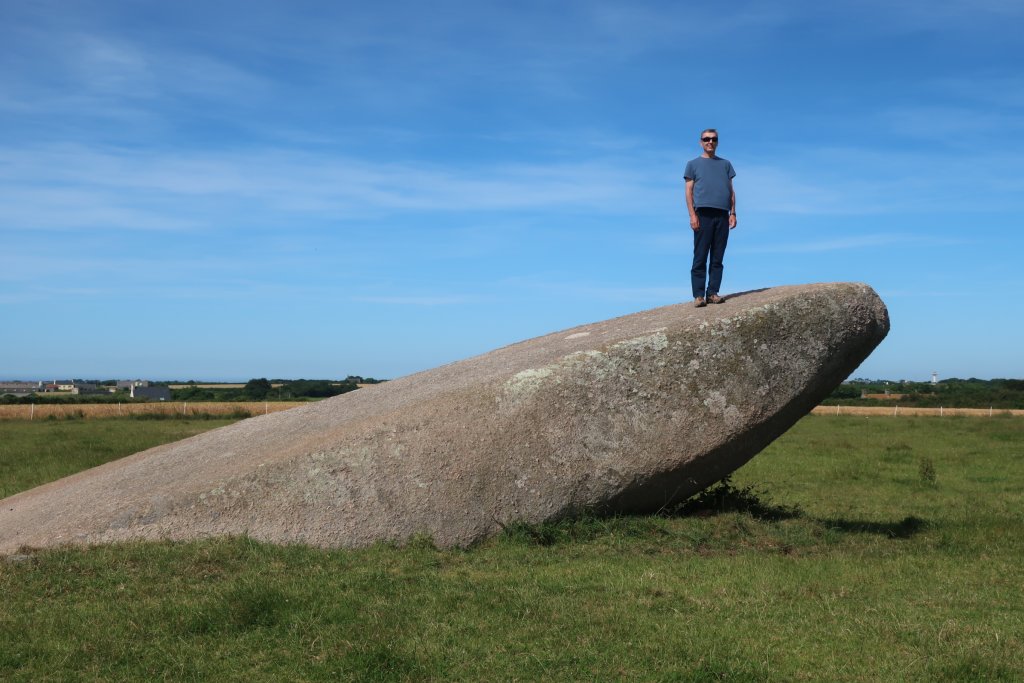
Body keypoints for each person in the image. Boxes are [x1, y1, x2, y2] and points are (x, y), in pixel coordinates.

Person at [684, 128, 737, 307]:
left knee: (717, 257)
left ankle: (712, 293)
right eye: (706, 139)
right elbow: (688, 191)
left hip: (722, 214)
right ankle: (698, 295)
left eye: (713, 139)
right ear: (701, 142)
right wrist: (692, 214)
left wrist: (733, 212)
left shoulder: (725, 164)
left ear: (717, 142)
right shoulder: (693, 164)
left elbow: (731, 190)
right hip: (703, 214)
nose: (710, 142)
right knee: (700, 256)